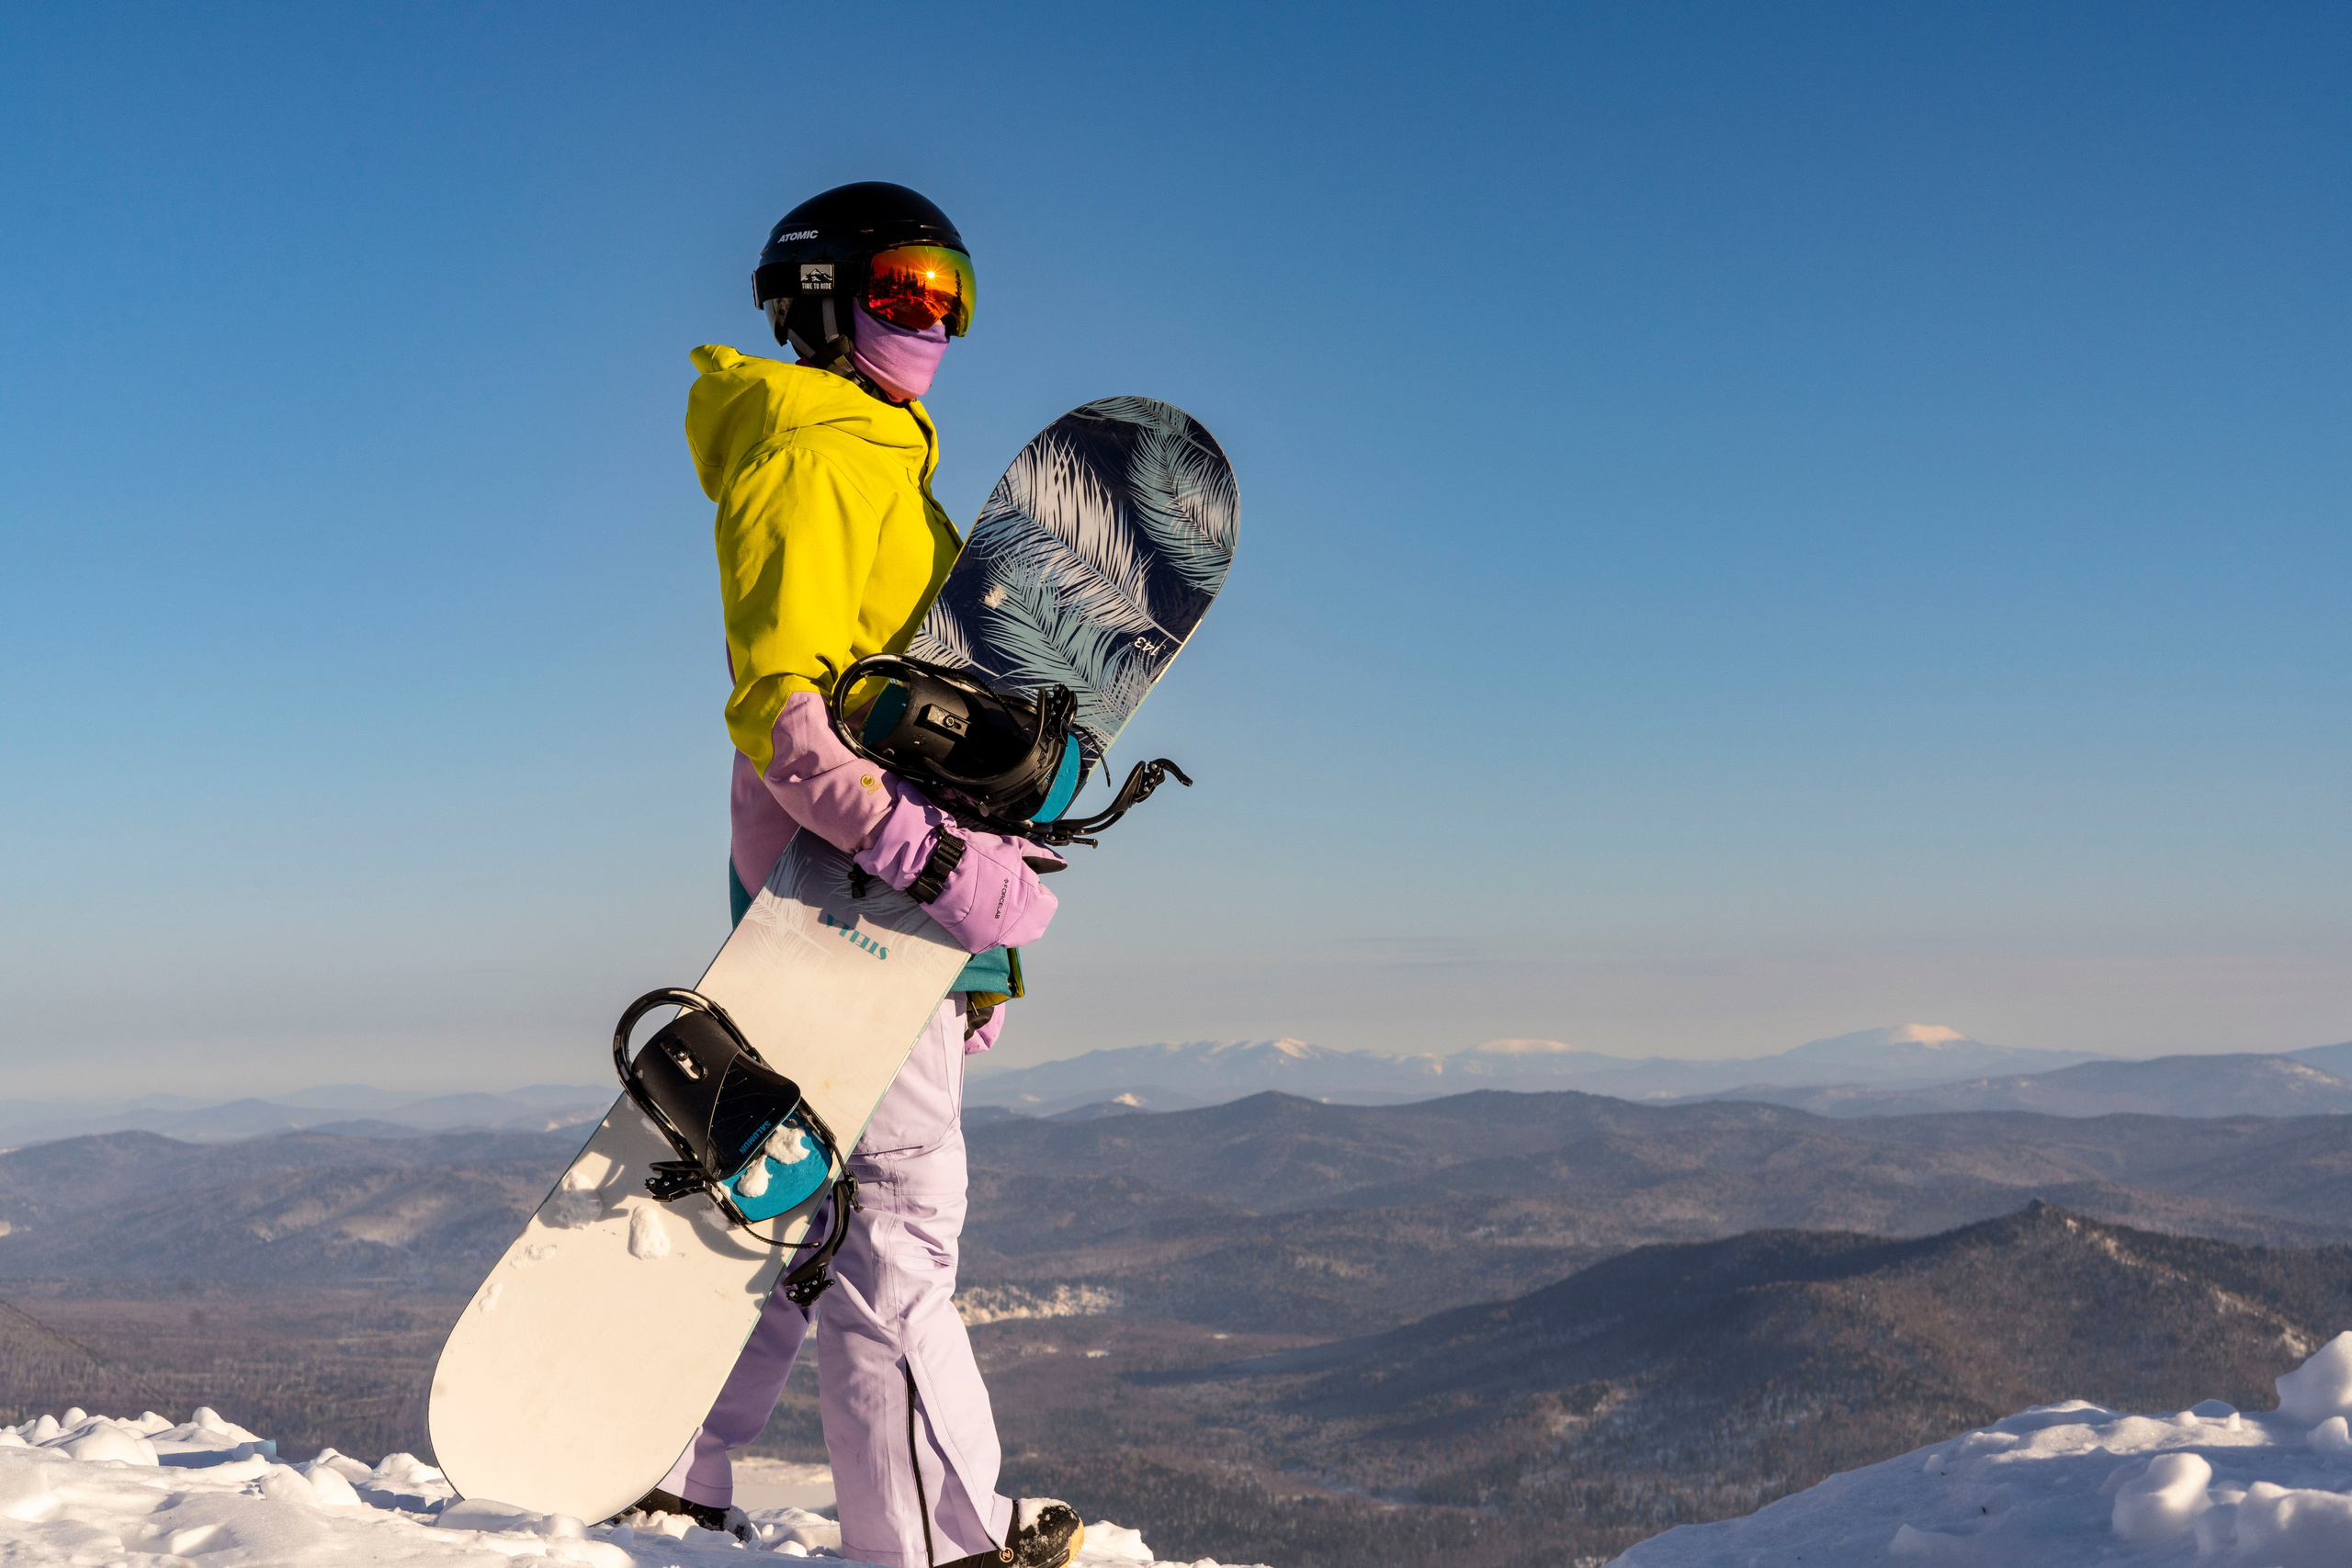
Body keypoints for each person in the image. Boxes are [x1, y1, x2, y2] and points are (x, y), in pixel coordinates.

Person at [633, 182, 1081, 1568]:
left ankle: (674, 1468)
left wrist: (975, 940)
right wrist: (926, 863)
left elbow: (920, 726)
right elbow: (786, 717)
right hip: (846, 897)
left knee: (813, 1200)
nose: (930, 321)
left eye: (950, 296)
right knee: (896, 1217)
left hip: (871, 900)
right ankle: (936, 1542)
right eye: (901, 290)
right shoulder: (817, 459)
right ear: (823, 298)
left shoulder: (880, 464)